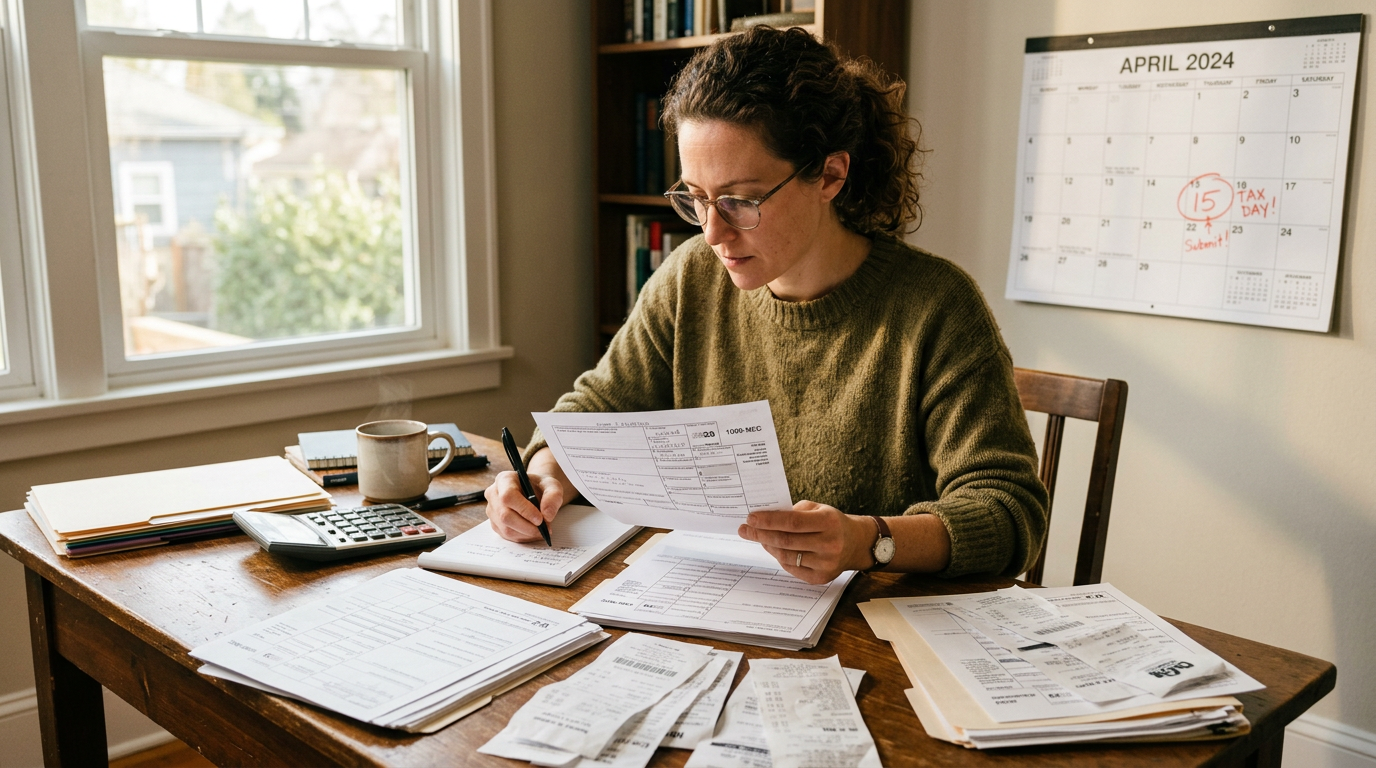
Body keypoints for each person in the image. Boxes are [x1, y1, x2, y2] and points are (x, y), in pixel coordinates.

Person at [485, 26, 1047, 585]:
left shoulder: (936, 307)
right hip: (713, 605)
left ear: (830, 174)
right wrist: (541, 475)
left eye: (739, 200)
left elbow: (1008, 511)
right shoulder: (690, 279)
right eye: (696, 198)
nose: (711, 233)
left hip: (881, 633)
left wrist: (866, 540)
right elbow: (594, 410)